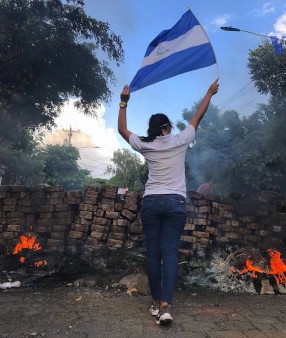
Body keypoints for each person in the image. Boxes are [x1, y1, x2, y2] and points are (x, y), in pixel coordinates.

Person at [118, 79, 219, 325]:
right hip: (175, 203)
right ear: (167, 127)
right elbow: (198, 116)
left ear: (153, 128)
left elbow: (122, 130)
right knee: (170, 253)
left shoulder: (145, 144)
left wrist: (124, 102)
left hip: (151, 203)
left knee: (153, 253)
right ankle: (165, 306)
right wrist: (208, 93)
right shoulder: (180, 140)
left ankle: (154, 302)